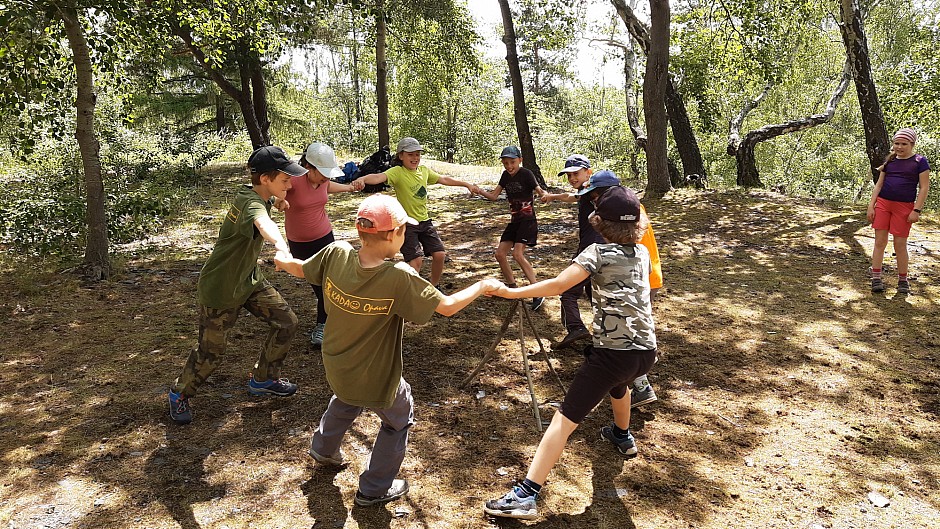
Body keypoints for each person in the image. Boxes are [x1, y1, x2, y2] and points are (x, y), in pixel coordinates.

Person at [274, 194, 500, 507]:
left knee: (347, 396)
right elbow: (446, 307)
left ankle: (323, 448)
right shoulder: (398, 277)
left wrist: (282, 258)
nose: (405, 237)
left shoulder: (336, 254)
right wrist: (484, 285)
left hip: (337, 362)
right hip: (377, 374)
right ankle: (375, 488)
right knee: (399, 418)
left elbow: (299, 269)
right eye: (404, 231)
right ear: (393, 234)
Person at [483, 186, 658, 520]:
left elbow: (559, 286)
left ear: (598, 222)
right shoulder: (643, 253)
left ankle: (525, 494)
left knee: (563, 421)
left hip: (612, 356)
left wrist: (511, 292)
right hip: (645, 353)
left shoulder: (596, 252)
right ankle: (622, 434)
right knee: (619, 385)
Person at [168, 146, 303, 425]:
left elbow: (263, 210)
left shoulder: (257, 194)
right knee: (211, 353)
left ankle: (264, 379)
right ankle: (179, 393)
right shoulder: (251, 203)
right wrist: (280, 246)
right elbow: (261, 222)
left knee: (286, 322)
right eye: (285, 180)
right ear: (265, 178)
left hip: (249, 281)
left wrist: (278, 201)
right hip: (221, 289)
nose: (291, 184)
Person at [541, 158, 661, 407]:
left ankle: (638, 386)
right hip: (639, 275)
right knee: (625, 329)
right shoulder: (627, 207)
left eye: (595, 197)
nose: (592, 202)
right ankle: (629, 397)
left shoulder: (615, 217)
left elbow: (561, 283)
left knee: (623, 334)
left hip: (633, 277)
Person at [352, 137, 481, 291]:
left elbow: (443, 179)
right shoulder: (398, 172)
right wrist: (363, 178)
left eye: (417, 154)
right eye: (410, 154)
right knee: (416, 262)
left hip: (425, 222)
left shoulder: (424, 171)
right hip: (407, 224)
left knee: (439, 254)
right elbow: (379, 177)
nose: (415, 158)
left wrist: (466, 184)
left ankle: (433, 287)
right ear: (401, 156)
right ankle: (410, 292)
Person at [281, 142, 363, 348]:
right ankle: (329, 322)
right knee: (320, 286)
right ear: (309, 167)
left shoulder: (323, 181)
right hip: (300, 243)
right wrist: (276, 200)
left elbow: (328, 187)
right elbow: (275, 192)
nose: (327, 177)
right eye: (323, 172)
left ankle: (323, 325)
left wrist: (349, 188)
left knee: (330, 283)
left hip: (325, 238)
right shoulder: (293, 180)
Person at [474, 145, 547, 311]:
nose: (509, 166)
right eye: (505, 163)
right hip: (514, 221)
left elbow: (539, 190)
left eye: (512, 162)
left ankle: (537, 291)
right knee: (499, 254)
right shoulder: (505, 176)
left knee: (517, 254)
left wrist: (544, 196)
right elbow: (493, 196)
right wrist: (480, 191)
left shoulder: (526, 174)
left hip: (527, 221)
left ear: (520, 160)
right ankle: (512, 290)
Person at [867, 127, 930, 294]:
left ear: (912, 144)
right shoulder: (890, 162)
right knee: (880, 242)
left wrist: (916, 210)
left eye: (904, 144)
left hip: (904, 207)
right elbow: (879, 185)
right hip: (883, 204)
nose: (900, 147)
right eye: (897, 143)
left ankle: (903, 279)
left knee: (900, 244)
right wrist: (871, 205)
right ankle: (876, 277)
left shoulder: (919, 162)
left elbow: (924, 188)